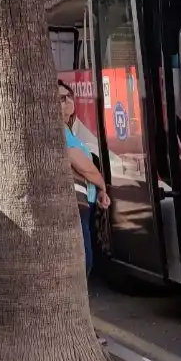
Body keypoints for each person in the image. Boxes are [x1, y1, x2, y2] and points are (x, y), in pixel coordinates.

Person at [58, 80, 109, 274]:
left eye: (70, 96)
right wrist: (102, 184)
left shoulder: (68, 129)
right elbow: (82, 165)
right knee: (84, 260)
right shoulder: (59, 131)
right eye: (62, 98)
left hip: (86, 202)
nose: (68, 101)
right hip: (76, 205)